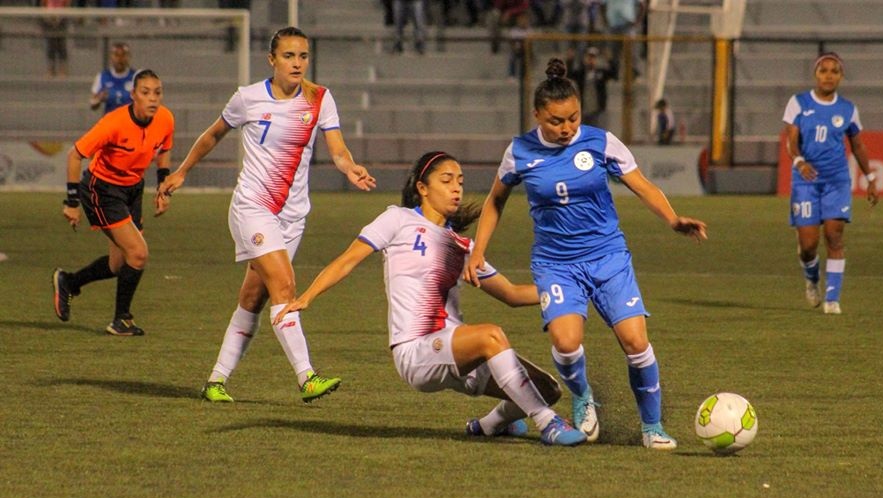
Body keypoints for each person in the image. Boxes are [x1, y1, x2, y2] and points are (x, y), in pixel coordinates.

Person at [465, 58, 707, 448]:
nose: (566, 128)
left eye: (573, 119)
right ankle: (582, 397)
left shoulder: (600, 141)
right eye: (556, 121)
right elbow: (495, 201)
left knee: (635, 342)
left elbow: (641, 184)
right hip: (556, 263)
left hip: (607, 255)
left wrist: (672, 218)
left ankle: (653, 428)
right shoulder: (519, 151)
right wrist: (479, 251)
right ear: (537, 115)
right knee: (565, 342)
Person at [274, 151, 587, 446]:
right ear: (422, 188)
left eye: (460, 182)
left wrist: (571, 291)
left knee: (547, 388)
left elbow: (512, 294)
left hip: (458, 351)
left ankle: (490, 425)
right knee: (492, 336)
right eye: (447, 180)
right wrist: (308, 296)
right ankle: (548, 424)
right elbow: (348, 259)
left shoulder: (463, 246)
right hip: (416, 349)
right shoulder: (397, 220)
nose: (456, 189)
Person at [156, 27, 376, 403]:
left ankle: (215, 381)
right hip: (253, 208)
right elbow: (214, 134)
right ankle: (307, 376)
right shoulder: (248, 98)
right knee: (285, 287)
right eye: (289, 56)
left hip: (293, 217)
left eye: (303, 56)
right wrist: (182, 171)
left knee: (253, 298)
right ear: (271, 60)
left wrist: (350, 167)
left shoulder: (319, 98)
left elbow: (337, 149)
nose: (297, 63)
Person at [53, 69, 174, 336]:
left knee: (119, 264)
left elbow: (164, 149)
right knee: (138, 254)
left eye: (157, 92)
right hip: (102, 189)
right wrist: (71, 202)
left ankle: (70, 281)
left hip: (133, 189)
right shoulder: (114, 123)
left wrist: (163, 188)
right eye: (145, 92)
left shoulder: (164, 118)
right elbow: (75, 155)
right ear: (133, 95)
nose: (153, 98)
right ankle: (122, 319)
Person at [782, 51, 879, 315]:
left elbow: (857, 145)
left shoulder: (848, 109)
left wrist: (870, 178)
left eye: (834, 71)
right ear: (816, 74)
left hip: (837, 181)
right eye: (823, 70)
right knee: (809, 245)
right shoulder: (799, 102)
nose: (828, 75)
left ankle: (832, 298)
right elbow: (791, 140)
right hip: (805, 181)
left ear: (841, 76)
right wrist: (800, 161)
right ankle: (812, 278)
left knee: (834, 237)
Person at [568, 46, 616, 129]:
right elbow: (570, 74)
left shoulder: (601, 73)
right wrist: (570, 61)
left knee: (598, 131)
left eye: (593, 57)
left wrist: (610, 60)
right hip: (583, 109)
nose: (591, 60)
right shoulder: (581, 73)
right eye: (589, 57)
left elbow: (614, 74)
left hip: (598, 109)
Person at [90, 42, 136, 115]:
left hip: (130, 123)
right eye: (116, 55)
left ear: (128, 57)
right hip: (110, 123)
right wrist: (99, 99)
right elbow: (93, 104)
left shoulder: (136, 77)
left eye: (123, 55)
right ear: (111, 57)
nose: (120, 59)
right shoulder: (102, 76)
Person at [39, 0, 70, 78]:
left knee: (62, 44)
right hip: (49, 17)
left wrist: (61, 17)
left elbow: (67, 4)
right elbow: (43, 4)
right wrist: (46, 17)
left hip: (62, 18)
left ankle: (63, 69)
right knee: (50, 44)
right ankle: (50, 69)